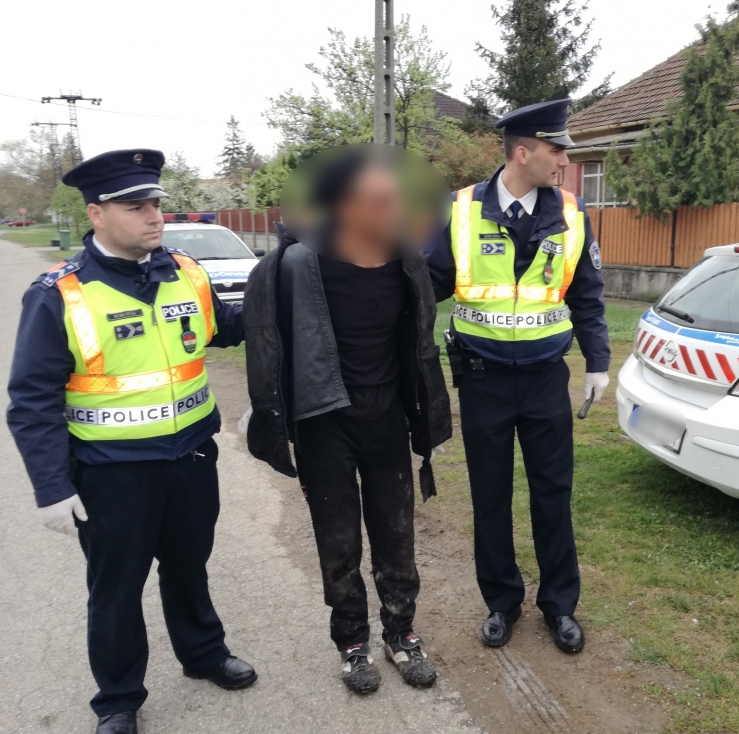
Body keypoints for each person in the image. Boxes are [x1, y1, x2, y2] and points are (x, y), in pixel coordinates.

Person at [7, 150, 256, 734]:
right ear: (96, 214)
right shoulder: (60, 294)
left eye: (156, 204)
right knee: (116, 588)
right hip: (111, 472)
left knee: (189, 566)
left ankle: (203, 653)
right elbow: (32, 401)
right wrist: (51, 486)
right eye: (135, 207)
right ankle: (118, 698)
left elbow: (227, 328)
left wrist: (284, 279)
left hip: (192, 457)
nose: (153, 216)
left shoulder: (186, 272)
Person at [243, 147, 452, 694]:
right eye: (379, 200)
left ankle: (401, 634)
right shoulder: (293, 267)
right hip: (323, 426)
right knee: (338, 543)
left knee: (397, 537)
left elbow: (419, 346)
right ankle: (352, 642)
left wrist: (427, 419)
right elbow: (267, 342)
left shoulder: (407, 262)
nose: (393, 210)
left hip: (386, 424)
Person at [424, 99, 611, 654]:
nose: (565, 162)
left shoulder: (573, 213)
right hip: (482, 379)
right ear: (523, 152)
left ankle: (559, 605)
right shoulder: (458, 210)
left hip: (545, 378)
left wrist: (598, 362)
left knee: (553, 493)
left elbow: (587, 296)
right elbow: (424, 286)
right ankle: (501, 602)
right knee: (490, 496)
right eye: (558, 150)